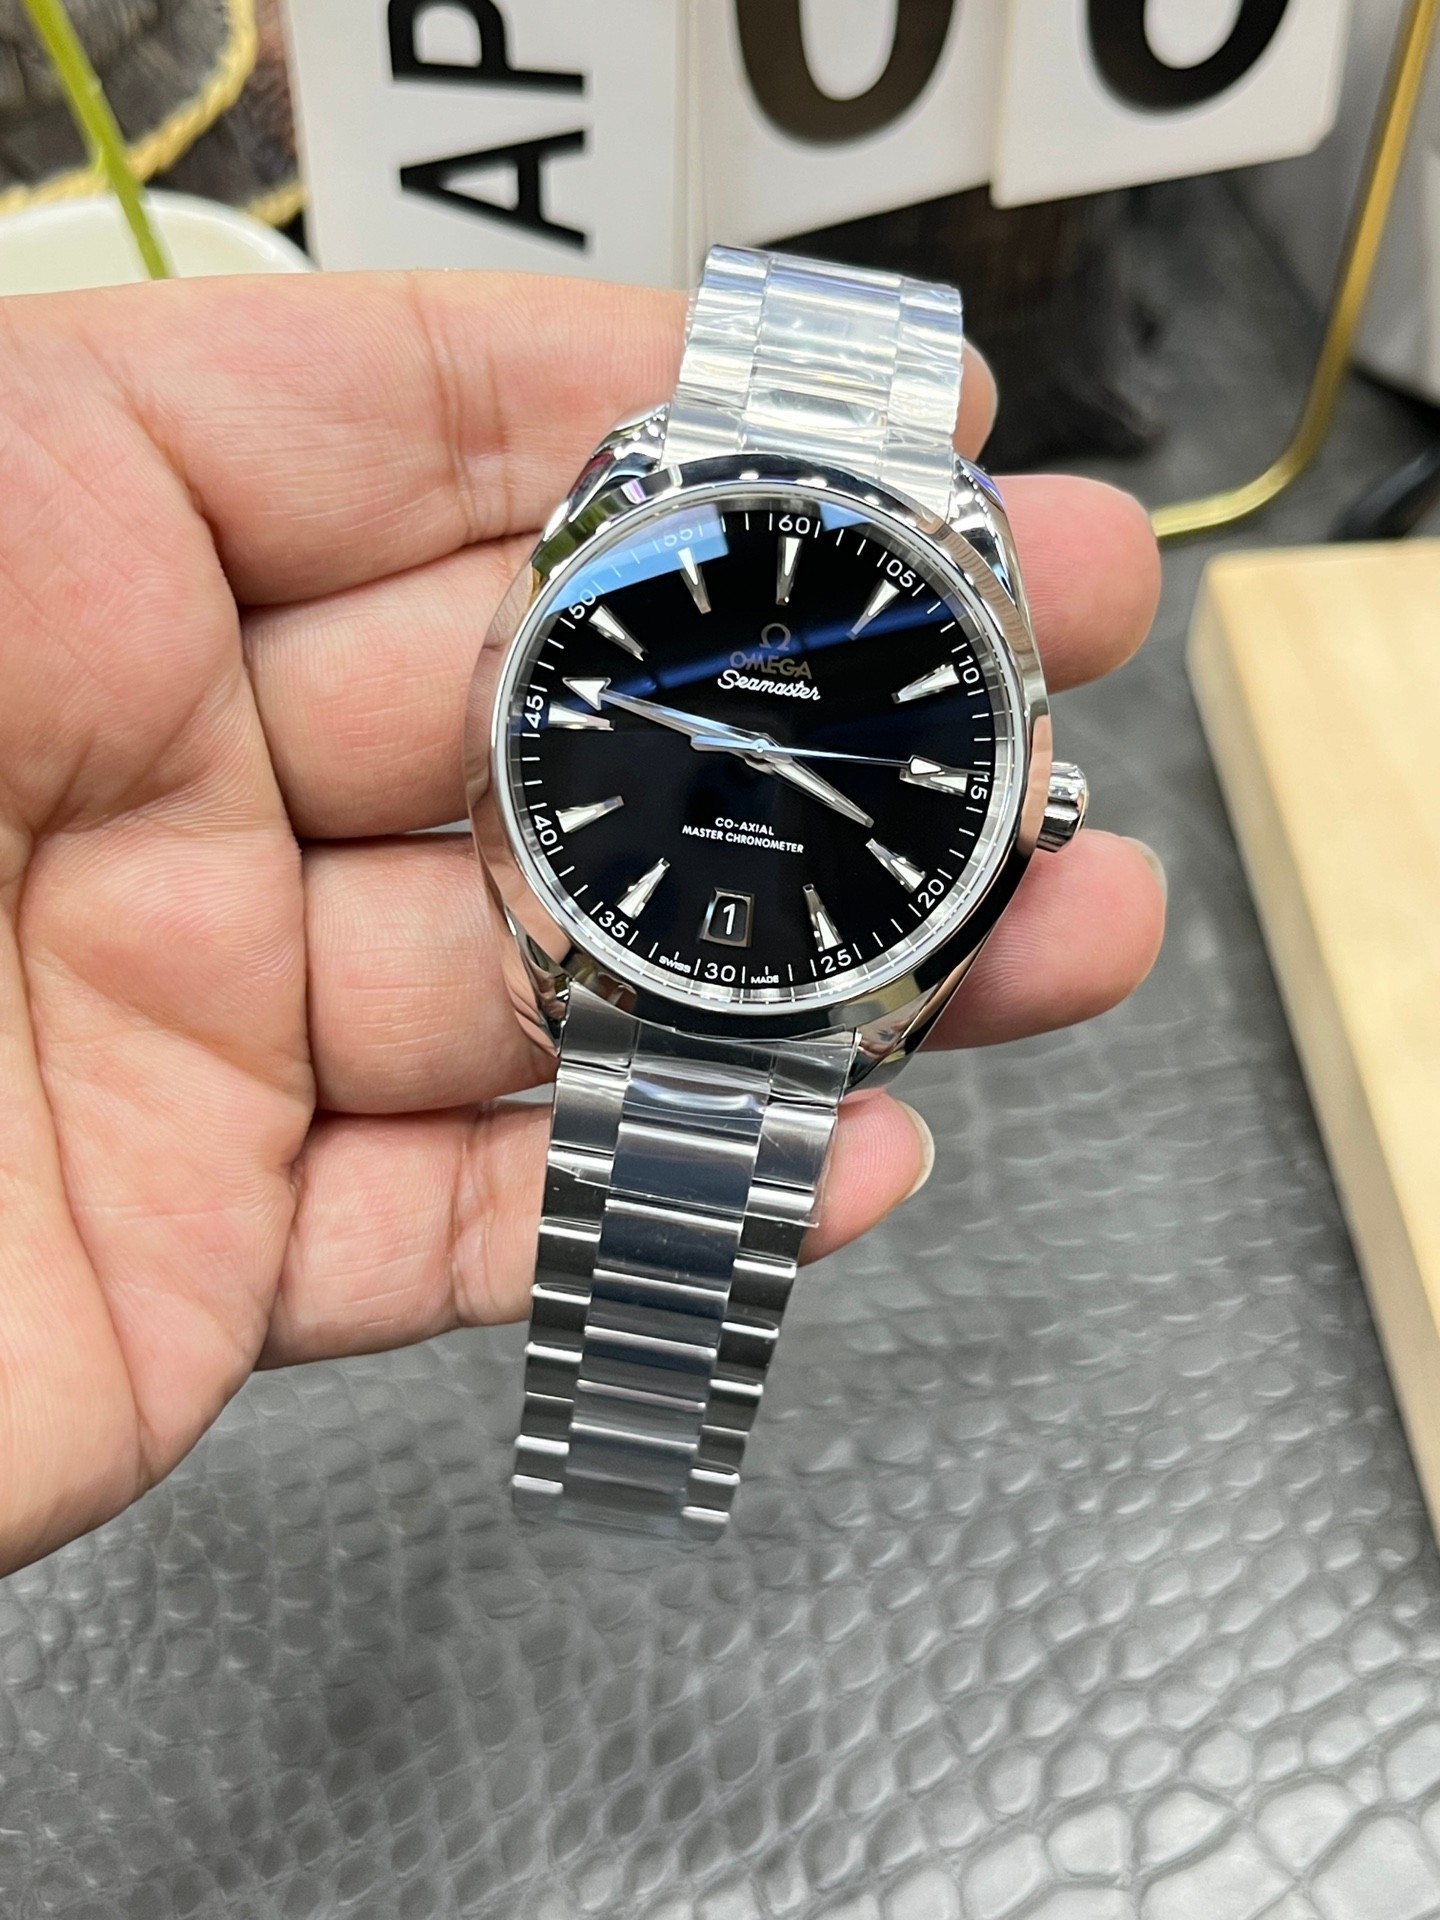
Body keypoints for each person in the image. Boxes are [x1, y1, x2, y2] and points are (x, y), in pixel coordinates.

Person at [0, 270, 1165, 1576]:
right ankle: (622, 1510)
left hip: (763, 963)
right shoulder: (634, 537)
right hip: (628, 943)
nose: (758, 753)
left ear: (1034, 803)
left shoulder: (911, 598)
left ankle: (628, 1496)